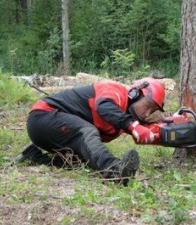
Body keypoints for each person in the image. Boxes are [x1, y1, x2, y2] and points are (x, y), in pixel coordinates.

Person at [16, 77, 166, 185]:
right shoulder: (115, 91)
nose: (147, 114)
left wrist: (174, 132)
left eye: (152, 111)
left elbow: (146, 134)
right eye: (147, 106)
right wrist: (133, 126)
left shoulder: (124, 117)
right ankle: (114, 170)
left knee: (85, 158)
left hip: (52, 131)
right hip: (43, 117)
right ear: (135, 94)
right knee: (88, 132)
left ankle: (34, 156)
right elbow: (104, 107)